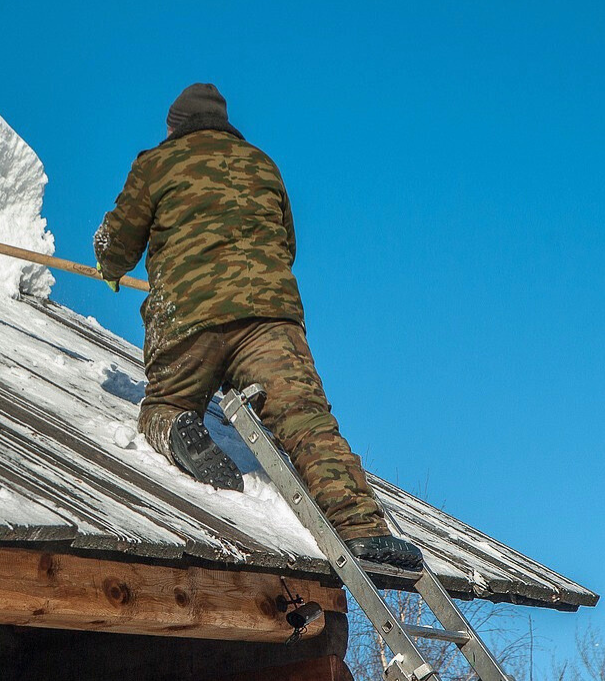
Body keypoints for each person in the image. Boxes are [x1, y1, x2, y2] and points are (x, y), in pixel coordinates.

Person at [93, 83, 423, 571]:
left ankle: (179, 426)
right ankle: (362, 529)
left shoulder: (156, 163)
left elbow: (116, 242)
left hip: (188, 315)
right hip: (269, 316)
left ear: (175, 125)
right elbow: (285, 245)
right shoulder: (263, 164)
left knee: (166, 401)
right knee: (307, 420)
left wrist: (110, 268)